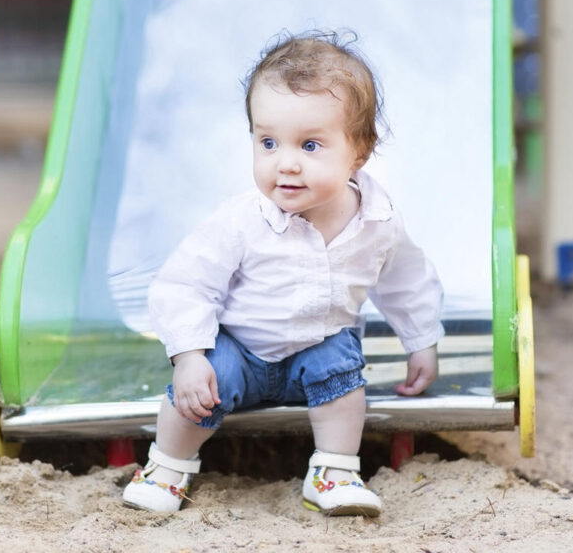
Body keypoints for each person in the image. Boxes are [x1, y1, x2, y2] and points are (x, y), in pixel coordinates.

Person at [123, 31, 444, 517]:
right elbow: (186, 284)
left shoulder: (376, 221)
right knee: (203, 386)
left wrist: (421, 341)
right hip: (240, 349)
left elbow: (406, 279)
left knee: (342, 368)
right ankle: (167, 466)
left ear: (359, 151)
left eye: (310, 145)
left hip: (316, 348)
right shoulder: (242, 221)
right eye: (268, 142)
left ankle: (334, 471)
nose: (286, 164)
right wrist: (188, 356)